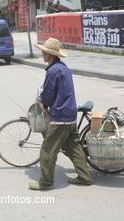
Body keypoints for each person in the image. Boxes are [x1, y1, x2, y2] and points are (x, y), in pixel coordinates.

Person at [28, 38, 93, 190]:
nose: (42, 54)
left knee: (47, 150)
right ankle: (85, 177)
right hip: (70, 115)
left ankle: (46, 182)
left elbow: (49, 95)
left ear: (49, 54)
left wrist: (42, 102)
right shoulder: (63, 67)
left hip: (60, 117)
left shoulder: (52, 71)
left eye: (44, 51)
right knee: (74, 148)